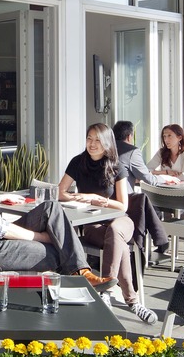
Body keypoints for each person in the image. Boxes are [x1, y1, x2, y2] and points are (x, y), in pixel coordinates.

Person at [0, 133, 115, 292]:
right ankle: (81, 278)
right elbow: (2, 230)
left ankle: (81, 272)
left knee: (51, 207)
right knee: (58, 250)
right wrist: (41, 236)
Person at [57, 123, 157, 324]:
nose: (92, 144)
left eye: (97, 140)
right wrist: (78, 198)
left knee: (115, 230)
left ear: (107, 142)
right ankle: (132, 301)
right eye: (89, 139)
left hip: (121, 220)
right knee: (115, 240)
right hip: (93, 225)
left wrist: (97, 199)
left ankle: (107, 290)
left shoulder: (116, 165)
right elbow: (60, 192)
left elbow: (122, 205)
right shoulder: (78, 162)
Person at [111, 120, 171, 262]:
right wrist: (166, 179)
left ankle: (160, 241)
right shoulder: (131, 151)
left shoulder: (105, 150)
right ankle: (158, 242)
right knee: (147, 206)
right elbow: (148, 178)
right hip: (124, 203)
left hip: (104, 202)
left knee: (147, 205)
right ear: (130, 136)